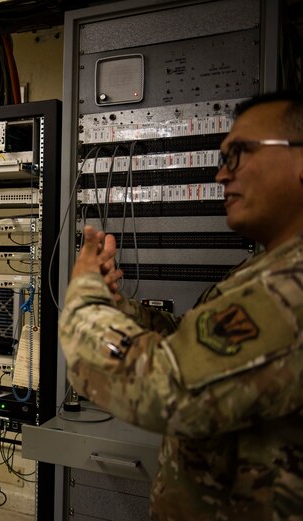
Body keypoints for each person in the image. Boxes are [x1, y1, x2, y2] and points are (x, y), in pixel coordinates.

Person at [58, 91, 303, 520]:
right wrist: (118, 309)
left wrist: (83, 299)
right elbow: (194, 342)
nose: (220, 175)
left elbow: (166, 388)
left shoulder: (293, 287)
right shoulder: (266, 268)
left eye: (239, 153)